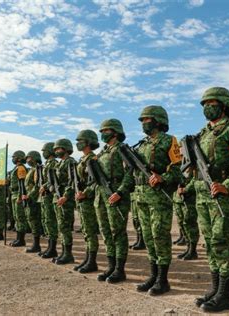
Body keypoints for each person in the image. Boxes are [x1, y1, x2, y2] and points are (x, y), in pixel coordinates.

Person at [193, 87, 229, 312]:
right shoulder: (203, 133)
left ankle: (226, 295)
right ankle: (215, 289)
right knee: (210, 243)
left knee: (224, 244)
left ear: (225, 105)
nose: (208, 106)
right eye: (205, 103)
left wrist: (228, 186)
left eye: (213, 102)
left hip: (224, 198)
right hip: (203, 195)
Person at [133, 105, 183, 296]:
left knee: (160, 236)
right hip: (142, 196)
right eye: (142, 120)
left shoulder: (169, 141)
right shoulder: (142, 144)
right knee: (147, 236)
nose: (144, 123)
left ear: (158, 121)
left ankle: (163, 279)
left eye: (147, 120)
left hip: (159, 198)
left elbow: (178, 170)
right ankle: (153, 275)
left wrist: (163, 178)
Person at [94, 119, 133, 283]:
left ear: (115, 132)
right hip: (102, 195)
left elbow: (131, 171)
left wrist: (120, 191)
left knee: (118, 232)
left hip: (116, 194)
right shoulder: (103, 152)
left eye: (106, 131)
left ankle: (120, 269)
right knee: (106, 231)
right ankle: (111, 266)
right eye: (101, 131)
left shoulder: (122, 149)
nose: (102, 133)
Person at [73, 130, 100, 273]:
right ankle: (87, 258)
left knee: (90, 230)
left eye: (81, 140)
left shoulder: (93, 159)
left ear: (88, 142)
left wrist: (86, 193)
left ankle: (92, 261)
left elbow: (96, 181)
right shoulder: (82, 160)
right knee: (86, 231)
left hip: (89, 200)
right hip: (82, 199)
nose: (78, 143)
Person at [52, 139, 77, 265]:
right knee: (61, 226)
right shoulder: (59, 164)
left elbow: (72, 181)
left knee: (65, 226)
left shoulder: (70, 162)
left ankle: (68, 254)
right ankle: (63, 252)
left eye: (59, 149)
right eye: (55, 149)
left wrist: (66, 196)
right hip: (59, 196)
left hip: (66, 199)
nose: (57, 151)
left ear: (66, 148)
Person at [38, 142, 59, 259]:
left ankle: (53, 248)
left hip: (51, 195)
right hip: (45, 196)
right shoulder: (47, 164)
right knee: (47, 221)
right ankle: (49, 247)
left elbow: (54, 179)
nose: (43, 153)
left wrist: (44, 186)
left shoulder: (54, 163)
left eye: (44, 151)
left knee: (51, 221)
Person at [23, 151, 45, 253]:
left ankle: (36, 245)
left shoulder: (38, 169)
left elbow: (37, 185)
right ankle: (35, 244)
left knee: (35, 221)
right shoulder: (31, 170)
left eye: (29, 158)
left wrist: (30, 195)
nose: (27, 160)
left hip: (35, 199)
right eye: (27, 159)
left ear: (35, 158)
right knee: (31, 220)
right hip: (30, 198)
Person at [9, 150, 28, 247]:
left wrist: (21, 195)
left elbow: (22, 183)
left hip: (18, 194)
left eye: (14, 157)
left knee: (20, 217)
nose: (13, 159)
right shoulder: (15, 168)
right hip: (14, 193)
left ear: (19, 158)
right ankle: (18, 238)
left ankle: (21, 239)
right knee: (16, 217)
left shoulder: (20, 168)